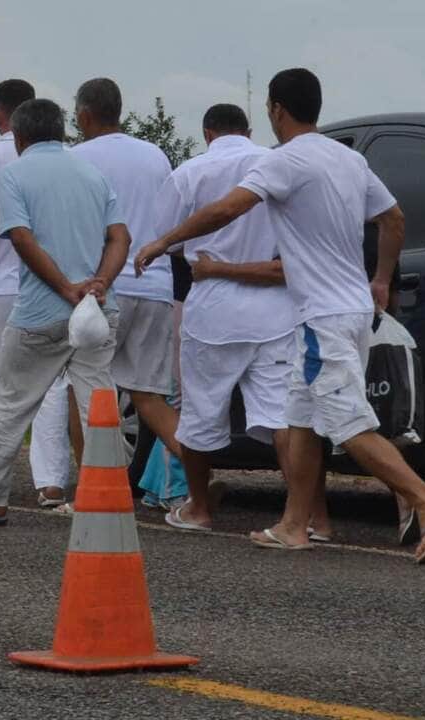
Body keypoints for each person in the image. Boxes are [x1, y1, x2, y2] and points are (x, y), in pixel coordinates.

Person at [137, 69, 425, 564]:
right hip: (348, 308)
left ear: (276, 110)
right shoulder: (349, 159)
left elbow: (227, 210)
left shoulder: (285, 162)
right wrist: (379, 279)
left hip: (322, 317)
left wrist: (165, 241)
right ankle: (294, 525)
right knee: (300, 418)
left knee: (346, 422)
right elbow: (393, 219)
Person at [0, 98, 131, 525]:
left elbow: (21, 237)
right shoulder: (92, 174)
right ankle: (108, 500)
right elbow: (119, 237)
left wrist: (65, 287)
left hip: (41, 312)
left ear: (18, 136)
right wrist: (99, 283)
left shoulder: (14, 174)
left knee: (12, 404)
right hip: (98, 310)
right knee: (99, 406)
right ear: (63, 131)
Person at [149, 103, 303, 534]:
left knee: (200, 411)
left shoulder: (189, 173)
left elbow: (167, 239)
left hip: (213, 305)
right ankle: (298, 514)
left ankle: (199, 508)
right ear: (249, 129)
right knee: (279, 417)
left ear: (207, 133)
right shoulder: (277, 164)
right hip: (274, 306)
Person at [0, 79, 72, 508]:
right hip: (53, 284)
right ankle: (50, 482)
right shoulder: (66, 159)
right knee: (51, 385)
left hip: (3, 286)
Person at [70, 78, 179, 463]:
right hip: (156, 285)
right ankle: (199, 479)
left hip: (104, 288)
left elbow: (79, 226)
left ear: (84, 114)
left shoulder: (78, 157)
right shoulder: (155, 155)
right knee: (148, 395)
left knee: (85, 388)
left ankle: (92, 483)